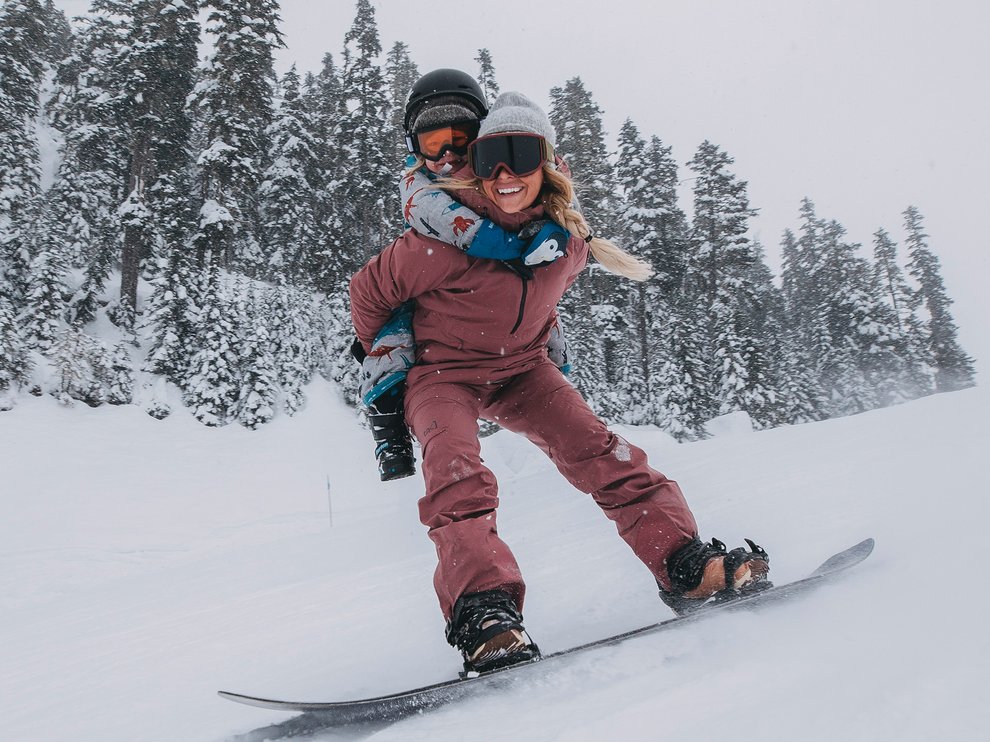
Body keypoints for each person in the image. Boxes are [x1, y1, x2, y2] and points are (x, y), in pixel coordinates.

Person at [349, 91, 771, 674]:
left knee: (602, 452)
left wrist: (544, 344)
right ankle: (485, 614)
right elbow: (366, 296)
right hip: (444, 375)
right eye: (488, 157)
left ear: (544, 164)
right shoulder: (429, 246)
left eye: (514, 157)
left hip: (523, 369)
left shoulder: (566, 245)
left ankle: (686, 567)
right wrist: (389, 358)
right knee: (457, 475)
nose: (500, 173)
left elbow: (544, 302)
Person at [355, 69, 571, 482]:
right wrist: (379, 347)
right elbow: (369, 290)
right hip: (437, 342)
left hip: (511, 342)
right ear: (415, 150)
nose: (448, 156)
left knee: (542, 303)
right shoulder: (424, 199)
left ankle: (552, 374)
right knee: (393, 338)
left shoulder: (510, 182)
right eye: (433, 145)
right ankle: (389, 420)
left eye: (461, 140)